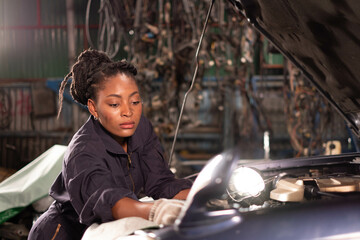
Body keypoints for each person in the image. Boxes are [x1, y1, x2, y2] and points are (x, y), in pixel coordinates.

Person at [29, 49, 192, 240]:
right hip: (62, 233)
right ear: (93, 108)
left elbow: (161, 182)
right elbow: (110, 202)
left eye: (135, 101)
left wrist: (201, 197)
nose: (128, 112)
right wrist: (157, 210)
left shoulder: (141, 130)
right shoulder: (83, 151)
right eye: (115, 104)